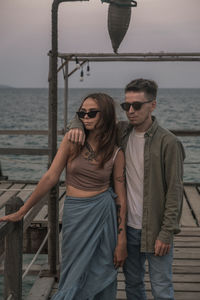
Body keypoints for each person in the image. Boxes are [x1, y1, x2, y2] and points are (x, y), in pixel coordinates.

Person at [66, 79, 185, 300]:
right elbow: (91, 117)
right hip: (127, 228)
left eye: (137, 105)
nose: (130, 111)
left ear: (153, 105)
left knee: (161, 289)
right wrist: (75, 123)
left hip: (156, 229)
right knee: (133, 286)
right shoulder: (120, 133)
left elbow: (175, 193)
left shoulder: (169, 143)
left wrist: (166, 233)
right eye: (126, 106)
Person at [0, 93, 127, 300]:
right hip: (75, 212)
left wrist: (121, 241)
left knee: (102, 269)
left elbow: (121, 198)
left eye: (92, 113)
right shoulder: (72, 140)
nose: (86, 117)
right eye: (82, 113)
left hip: (103, 214)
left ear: (105, 115)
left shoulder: (116, 152)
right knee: (72, 271)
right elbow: (51, 177)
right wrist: (23, 211)